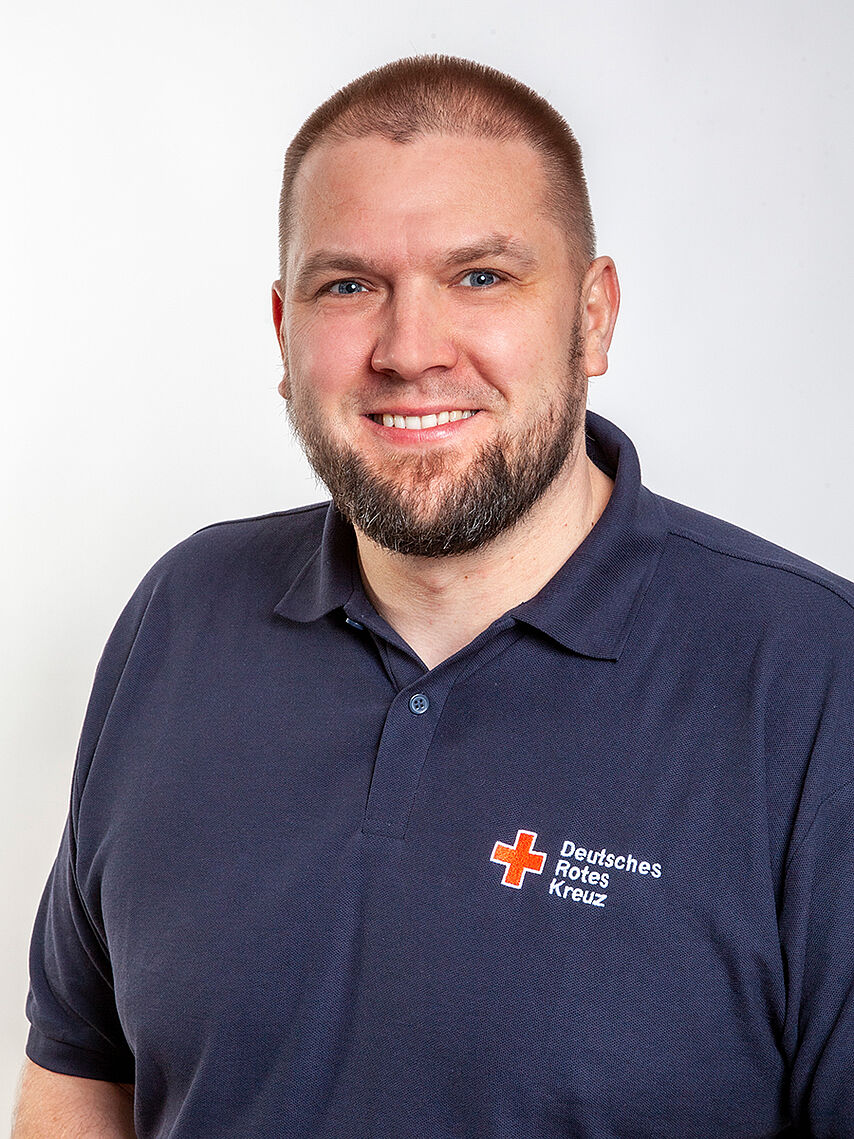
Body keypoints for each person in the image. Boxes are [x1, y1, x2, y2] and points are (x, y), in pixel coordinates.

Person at [14, 55, 854, 1139]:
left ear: (593, 317)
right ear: (282, 330)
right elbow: (82, 1072)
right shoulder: (181, 615)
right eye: (348, 286)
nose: (409, 352)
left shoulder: (810, 680)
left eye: (480, 277)